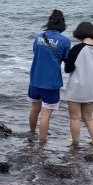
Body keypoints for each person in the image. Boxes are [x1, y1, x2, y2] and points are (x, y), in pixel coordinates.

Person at [27, 9, 72, 145]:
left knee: (34, 109)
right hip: (51, 83)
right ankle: (42, 142)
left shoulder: (39, 37)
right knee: (46, 114)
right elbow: (67, 60)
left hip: (35, 79)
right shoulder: (64, 41)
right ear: (62, 24)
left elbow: (36, 52)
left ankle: (32, 132)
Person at [63, 21, 93, 146]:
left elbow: (68, 69)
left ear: (79, 33)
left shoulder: (77, 49)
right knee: (88, 118)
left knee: (75, 118)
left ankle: (75, 142)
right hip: (92, 87)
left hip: (76, 87)